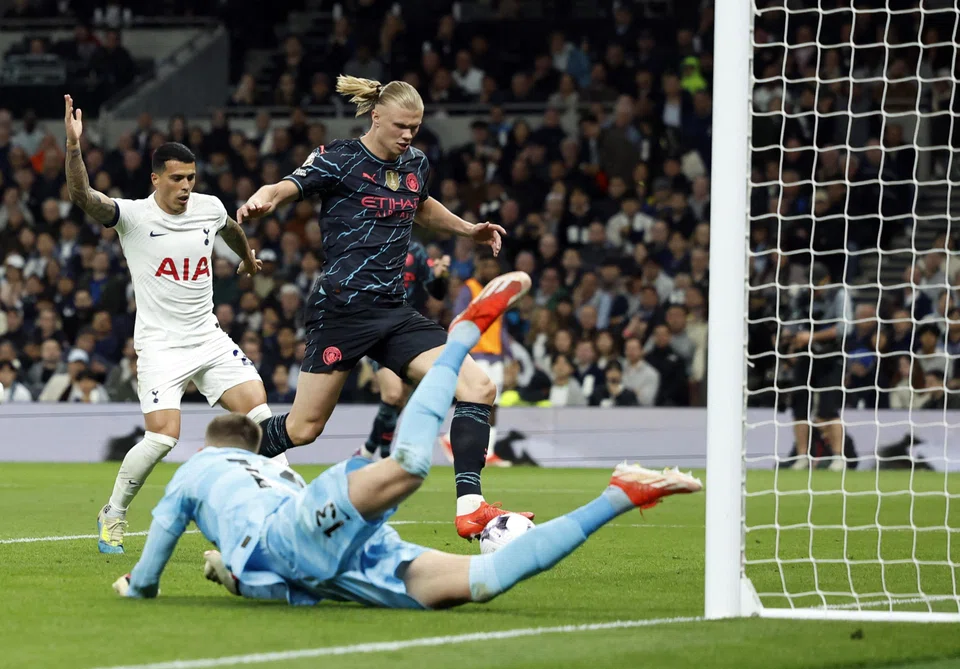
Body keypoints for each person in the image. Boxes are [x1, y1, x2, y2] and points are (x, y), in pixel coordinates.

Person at [112, 273, 702, 608]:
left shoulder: (197, 470)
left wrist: (137, 586)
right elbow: (258, 569)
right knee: (482, 584)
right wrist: (225, 570)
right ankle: (620, 495)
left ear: (212, 447)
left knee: (412, 465)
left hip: (301, 539)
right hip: (335, 563)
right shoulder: (274, 475)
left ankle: (462, 338)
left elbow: (159, 549)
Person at [238, 75, 528, 538]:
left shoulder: (415, 163)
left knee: (478, 388)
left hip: (394, 311)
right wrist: (264, 198)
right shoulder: (340, 157)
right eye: (400, 125)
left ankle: (470, 508)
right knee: (303, 427)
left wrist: (468, 228)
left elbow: (421, 204)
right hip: (341, 311)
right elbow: (287, 185)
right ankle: (219, 461)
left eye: (414, 126)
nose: (408, 134)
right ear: (376, 117)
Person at [62, 95, 278, 555]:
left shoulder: (209, 207)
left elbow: (230, 229)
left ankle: (262, 512)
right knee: (162, 438)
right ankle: (113, 514)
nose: (185, 186)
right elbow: (83, 197)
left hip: (208, 337)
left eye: (191, 177)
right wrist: (74, 149)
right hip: (161, 346)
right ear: (155, 178)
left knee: (260, 420)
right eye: (177, 178)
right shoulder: (134, 217)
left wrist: (247, 258)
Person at [360, 239, 450, 459]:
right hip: (379, 331)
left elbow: (437, 292)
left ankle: (368, 449)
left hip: (409, 332)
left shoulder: (416, 251)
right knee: (392, 394)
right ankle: (385, 456)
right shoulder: (369, 245)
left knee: (398, 401)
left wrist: (440, 276)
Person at [439, 252, 511, 466]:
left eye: (493, 266)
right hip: (476, 352)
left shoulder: (497, 292)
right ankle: (452, 441)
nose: (489, 270)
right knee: (473, 400)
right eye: (486, 265)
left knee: (494, 403)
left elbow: (501, 327)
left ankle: (489, 452)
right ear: (479, 265)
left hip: (495, 353)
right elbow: (460, 319)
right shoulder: (469, 289)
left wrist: (510, 355)